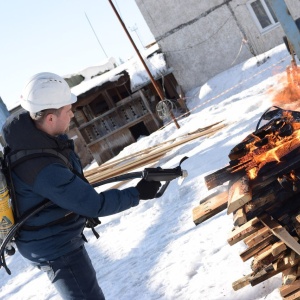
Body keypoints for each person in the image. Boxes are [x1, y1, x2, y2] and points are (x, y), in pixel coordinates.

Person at [2, 72, 161, 300]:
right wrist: (138, 193)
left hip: (50, 239)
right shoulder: (42, 165)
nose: (72, 115)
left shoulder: (34, 142)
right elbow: (92, 205)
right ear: (50, 118)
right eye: (68, 111)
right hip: (56, 247)